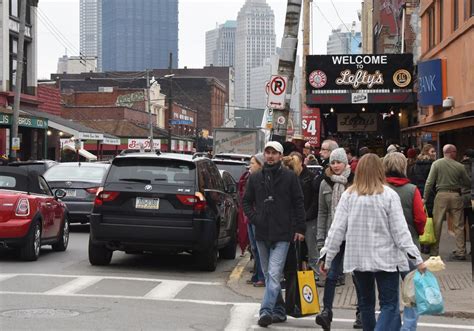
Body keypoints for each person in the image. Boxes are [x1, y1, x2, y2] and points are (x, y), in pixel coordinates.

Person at [319, 153, 426, 331]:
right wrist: (417, 259)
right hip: (386, 258)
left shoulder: (349, 195)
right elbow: (401, 232)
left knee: (366, 304)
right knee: (389, 305)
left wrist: (327, 257)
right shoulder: (389, 195)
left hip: (358, 258)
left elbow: (336, 230)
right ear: (380, 170)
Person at [243, 141, 306, 328]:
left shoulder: (289, 177)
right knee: (271, 275)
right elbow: (246, 201)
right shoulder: (255, 178)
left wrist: (300, 228)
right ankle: (279, 310)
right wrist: (255, 218)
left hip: (283, 233)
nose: (270, 156)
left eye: (274, 153)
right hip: (262, 232)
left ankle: (265, 311)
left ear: (280, 155)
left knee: (273, 273)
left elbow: (298, 202)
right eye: (267, 152)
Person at [383, 152, 427, 330]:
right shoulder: (412, 190)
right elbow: (420, 217)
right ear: (404, 167)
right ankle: (408, 327)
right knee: (410, 292)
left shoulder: (380, 188)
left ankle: (392, 325)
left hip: (385, 247)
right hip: (409, 246)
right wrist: (419, 233)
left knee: (390, 294)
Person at [315, 148, 354, 330]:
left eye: (339, 162)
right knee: (331, 275)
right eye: (333, 162)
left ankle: (361, 313)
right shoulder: (325, 183)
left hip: (354, 236)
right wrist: (320, 239)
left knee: (358, 276)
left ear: (346, 163)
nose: (336, 166)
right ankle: (326, 312)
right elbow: (322, 213)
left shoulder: (354, 182)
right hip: (335, 235)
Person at [423, 144, 471, 260]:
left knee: (437, 223)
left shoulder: (436, 164)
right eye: (455, 152)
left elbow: (429, 182)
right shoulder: (460, 166)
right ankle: (461, 251)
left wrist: (425, 197)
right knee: (458, 225)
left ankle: (434, 252)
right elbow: (467, 182)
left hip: (441, 196)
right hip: (455, 195)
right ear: (452, 152)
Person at [283, 152, 316, 270]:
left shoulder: (309, 178)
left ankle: (311, 274)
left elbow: (313, 199)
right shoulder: (287, 180)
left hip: (307, 219)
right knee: (296, 252)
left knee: (309, 250)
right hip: (292, 221)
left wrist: (307, 215)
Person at [238, 153, 265, 287]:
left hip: (257, 218)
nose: (250, 166)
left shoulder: (263, 179)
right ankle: (256, 275)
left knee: (260, 248)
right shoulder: (250, 178)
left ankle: (261, 276)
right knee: (254, 248)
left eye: (253, 163)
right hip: (250, 217)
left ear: (260, 165)